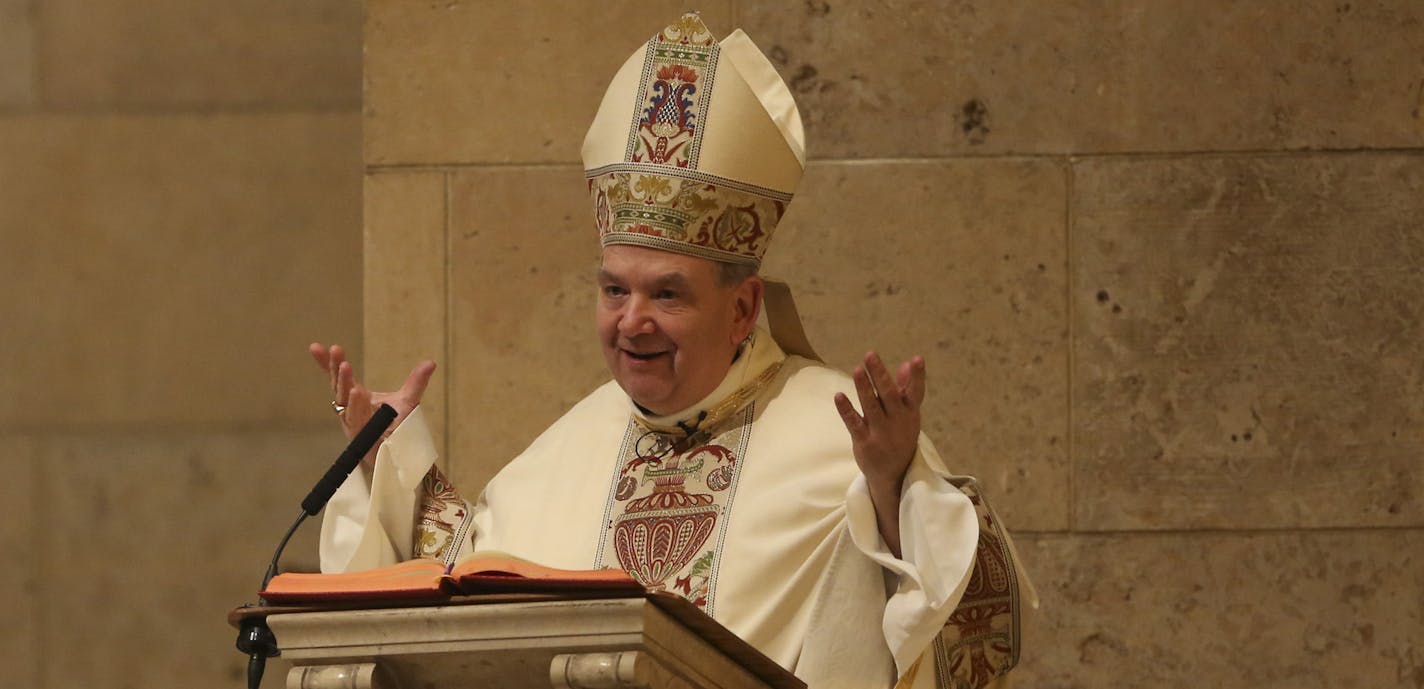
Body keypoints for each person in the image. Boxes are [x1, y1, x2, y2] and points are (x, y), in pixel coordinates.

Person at [310, 14, 1031, 689]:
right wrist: (392, 468)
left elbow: (972, 632)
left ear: (743, 307)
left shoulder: (843, 438)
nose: (633, 322)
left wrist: (894, 492)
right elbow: (472, 591)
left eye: (668, 294)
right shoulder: (566, 449)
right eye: (614, 290)